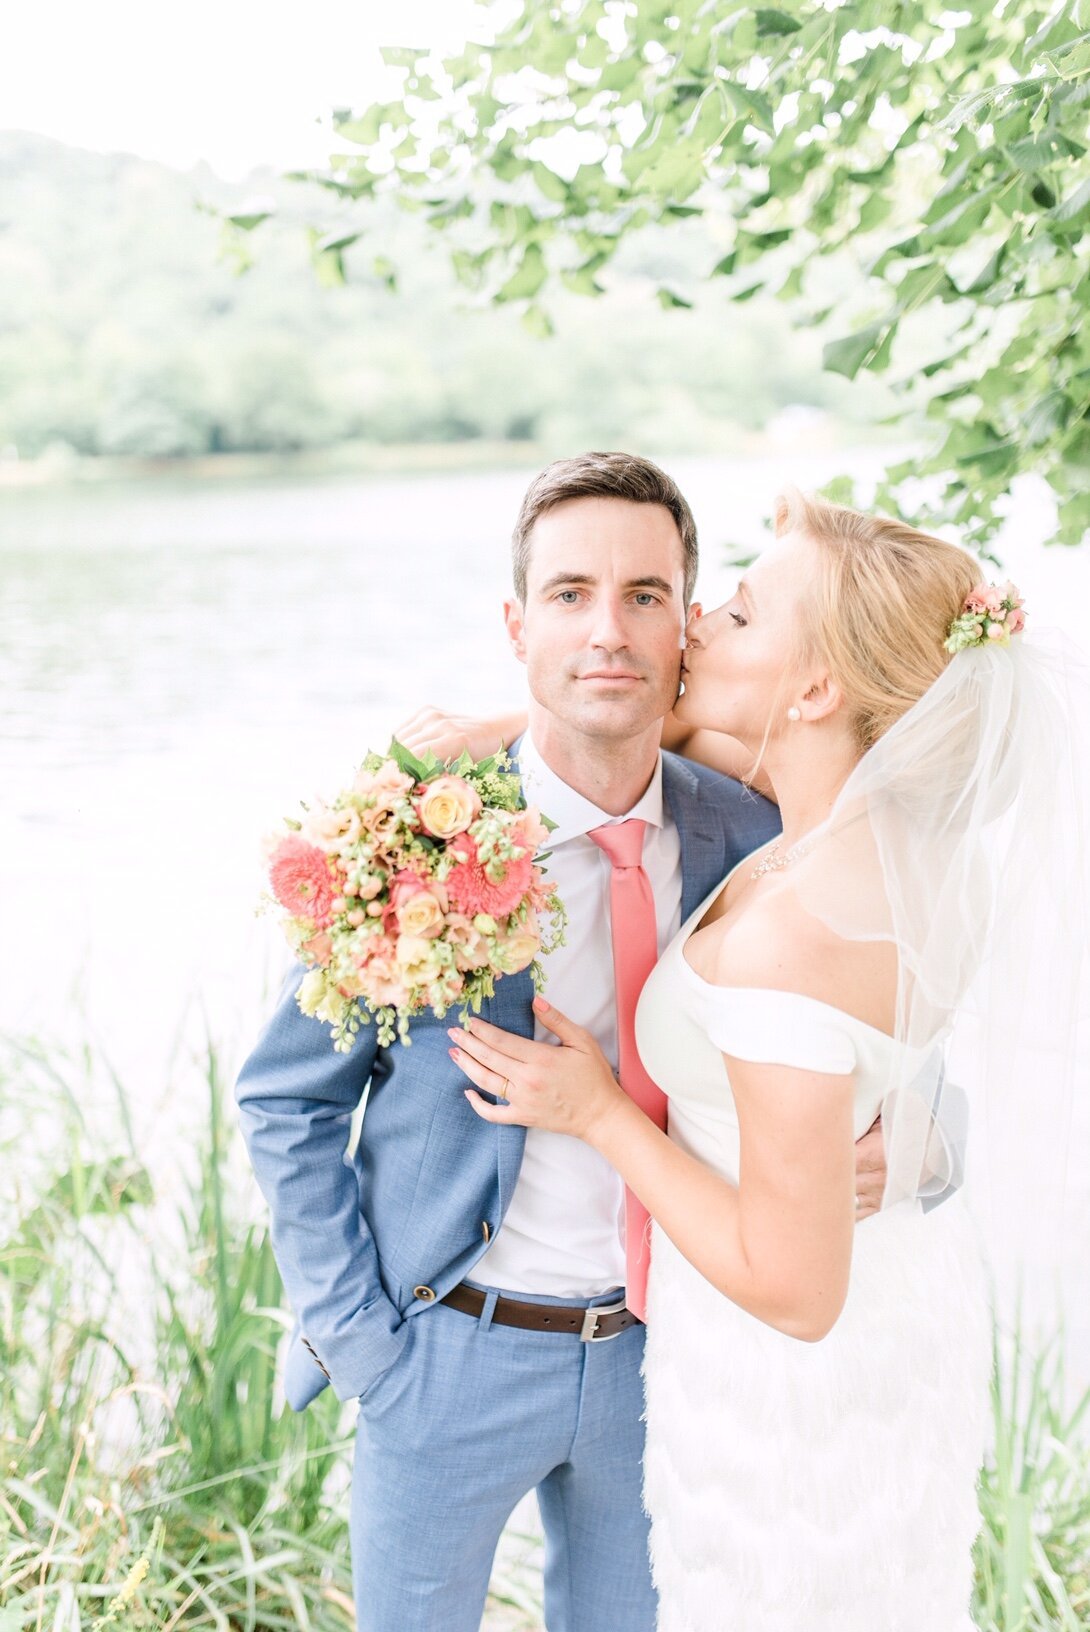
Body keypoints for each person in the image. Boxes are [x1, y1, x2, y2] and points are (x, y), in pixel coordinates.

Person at [234, 454, 905, 1632]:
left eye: (645, 596)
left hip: (670, 1362)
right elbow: (285, 1100)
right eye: (570, 594)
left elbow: (879, 1010)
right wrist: (363, 1343)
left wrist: (898, 1140)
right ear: (516, 622)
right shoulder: (408, 838)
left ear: (688, 628)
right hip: (445, 1353)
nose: (608, 629)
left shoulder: (752, 834)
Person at [442, 489, 1088, 1629]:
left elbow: (795, 1292)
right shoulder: (908, 844)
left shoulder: (797, 938)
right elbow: (683, 730)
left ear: (816, 689)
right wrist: (500, 731)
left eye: (737, 614)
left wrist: (598, 1113)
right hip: (895, 1316)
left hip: (785, 1395)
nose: (691, 625)